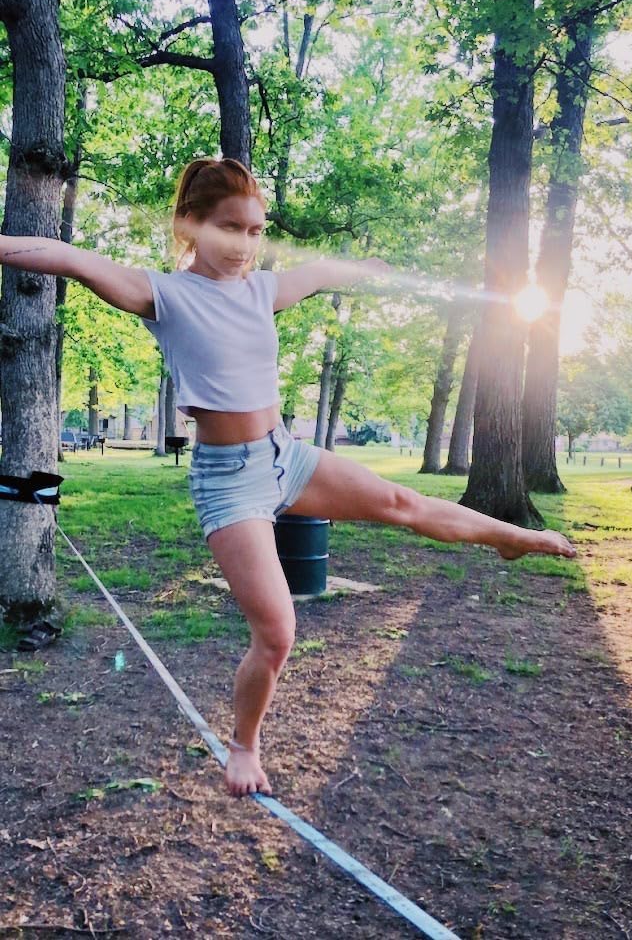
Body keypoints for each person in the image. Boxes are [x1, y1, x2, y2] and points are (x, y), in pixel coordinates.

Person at [0, 157, 576, 797]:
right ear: (190, 224)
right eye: (229, 228)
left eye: (255, 231)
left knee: (400, 501)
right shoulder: (162, 293)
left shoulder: (261, 291)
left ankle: (506, 536)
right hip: (229, 481)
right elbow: (65, 256)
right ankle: (244, 747)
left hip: (286, 455)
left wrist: (365, 270)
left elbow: (321, 271)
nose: (245, 244)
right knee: (276, 633)